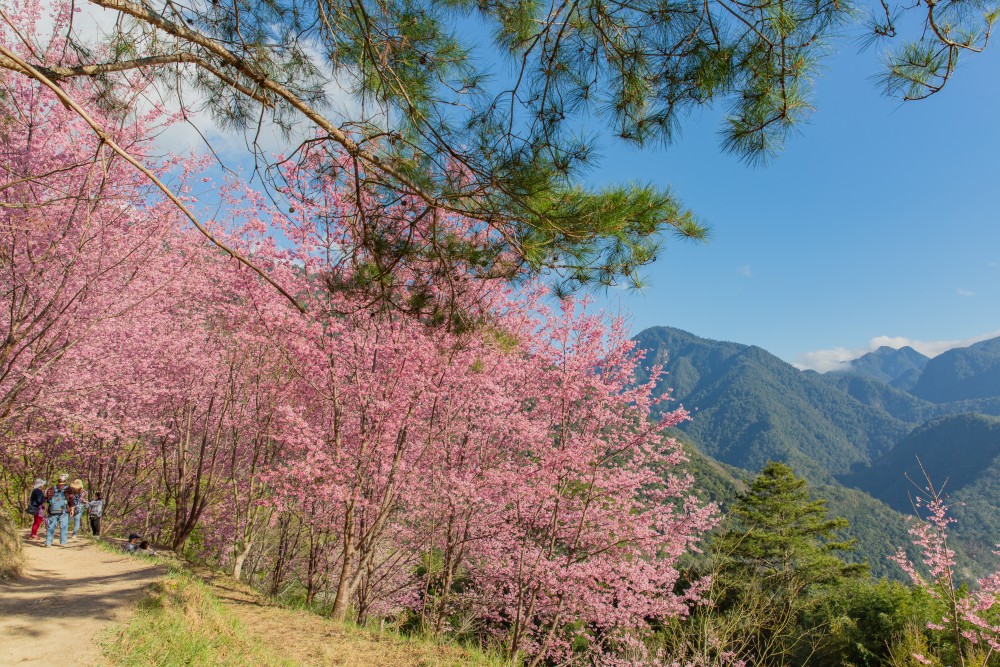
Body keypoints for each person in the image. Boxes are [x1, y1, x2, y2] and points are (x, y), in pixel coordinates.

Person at [44, 473, 75, 547]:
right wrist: (72, 509)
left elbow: (48, 499)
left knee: (51, 526)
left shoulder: (51, 489)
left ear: (58, 480)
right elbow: (71, 500)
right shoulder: (68, 489)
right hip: (64, 511)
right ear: (65, 480)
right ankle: (63, 542)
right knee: (63, 526)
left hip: (53, 511)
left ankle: (48, 542)